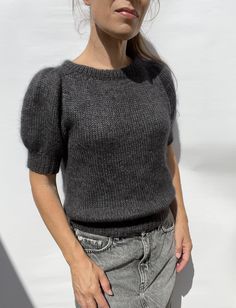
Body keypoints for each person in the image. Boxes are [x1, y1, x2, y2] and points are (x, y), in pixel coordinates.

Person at [20, 0, 193, 307]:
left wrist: (182, 221)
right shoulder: (56, 87)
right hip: (103, 267)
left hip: (164, 252)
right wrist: (77, 263)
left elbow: (166, 156)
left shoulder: (158, 78)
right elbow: (42, 182)